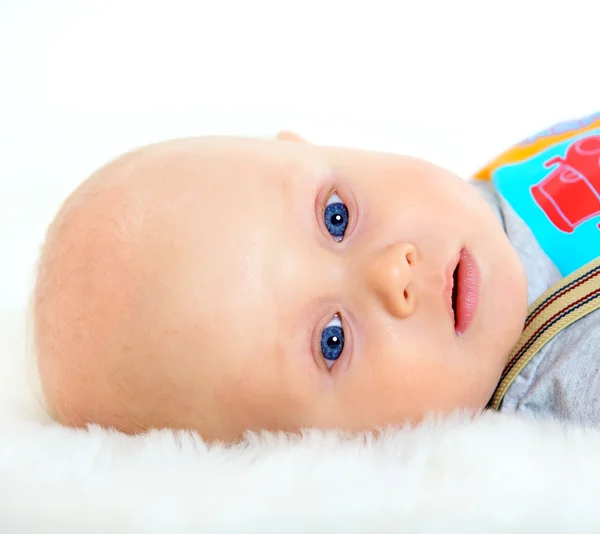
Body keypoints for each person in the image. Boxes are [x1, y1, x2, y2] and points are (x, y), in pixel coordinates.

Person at [32, 113, 600, 442]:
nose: (391, 271)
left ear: (311, 147)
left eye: (337, 217)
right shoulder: (562, 389)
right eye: (333, 340)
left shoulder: (494, 193)